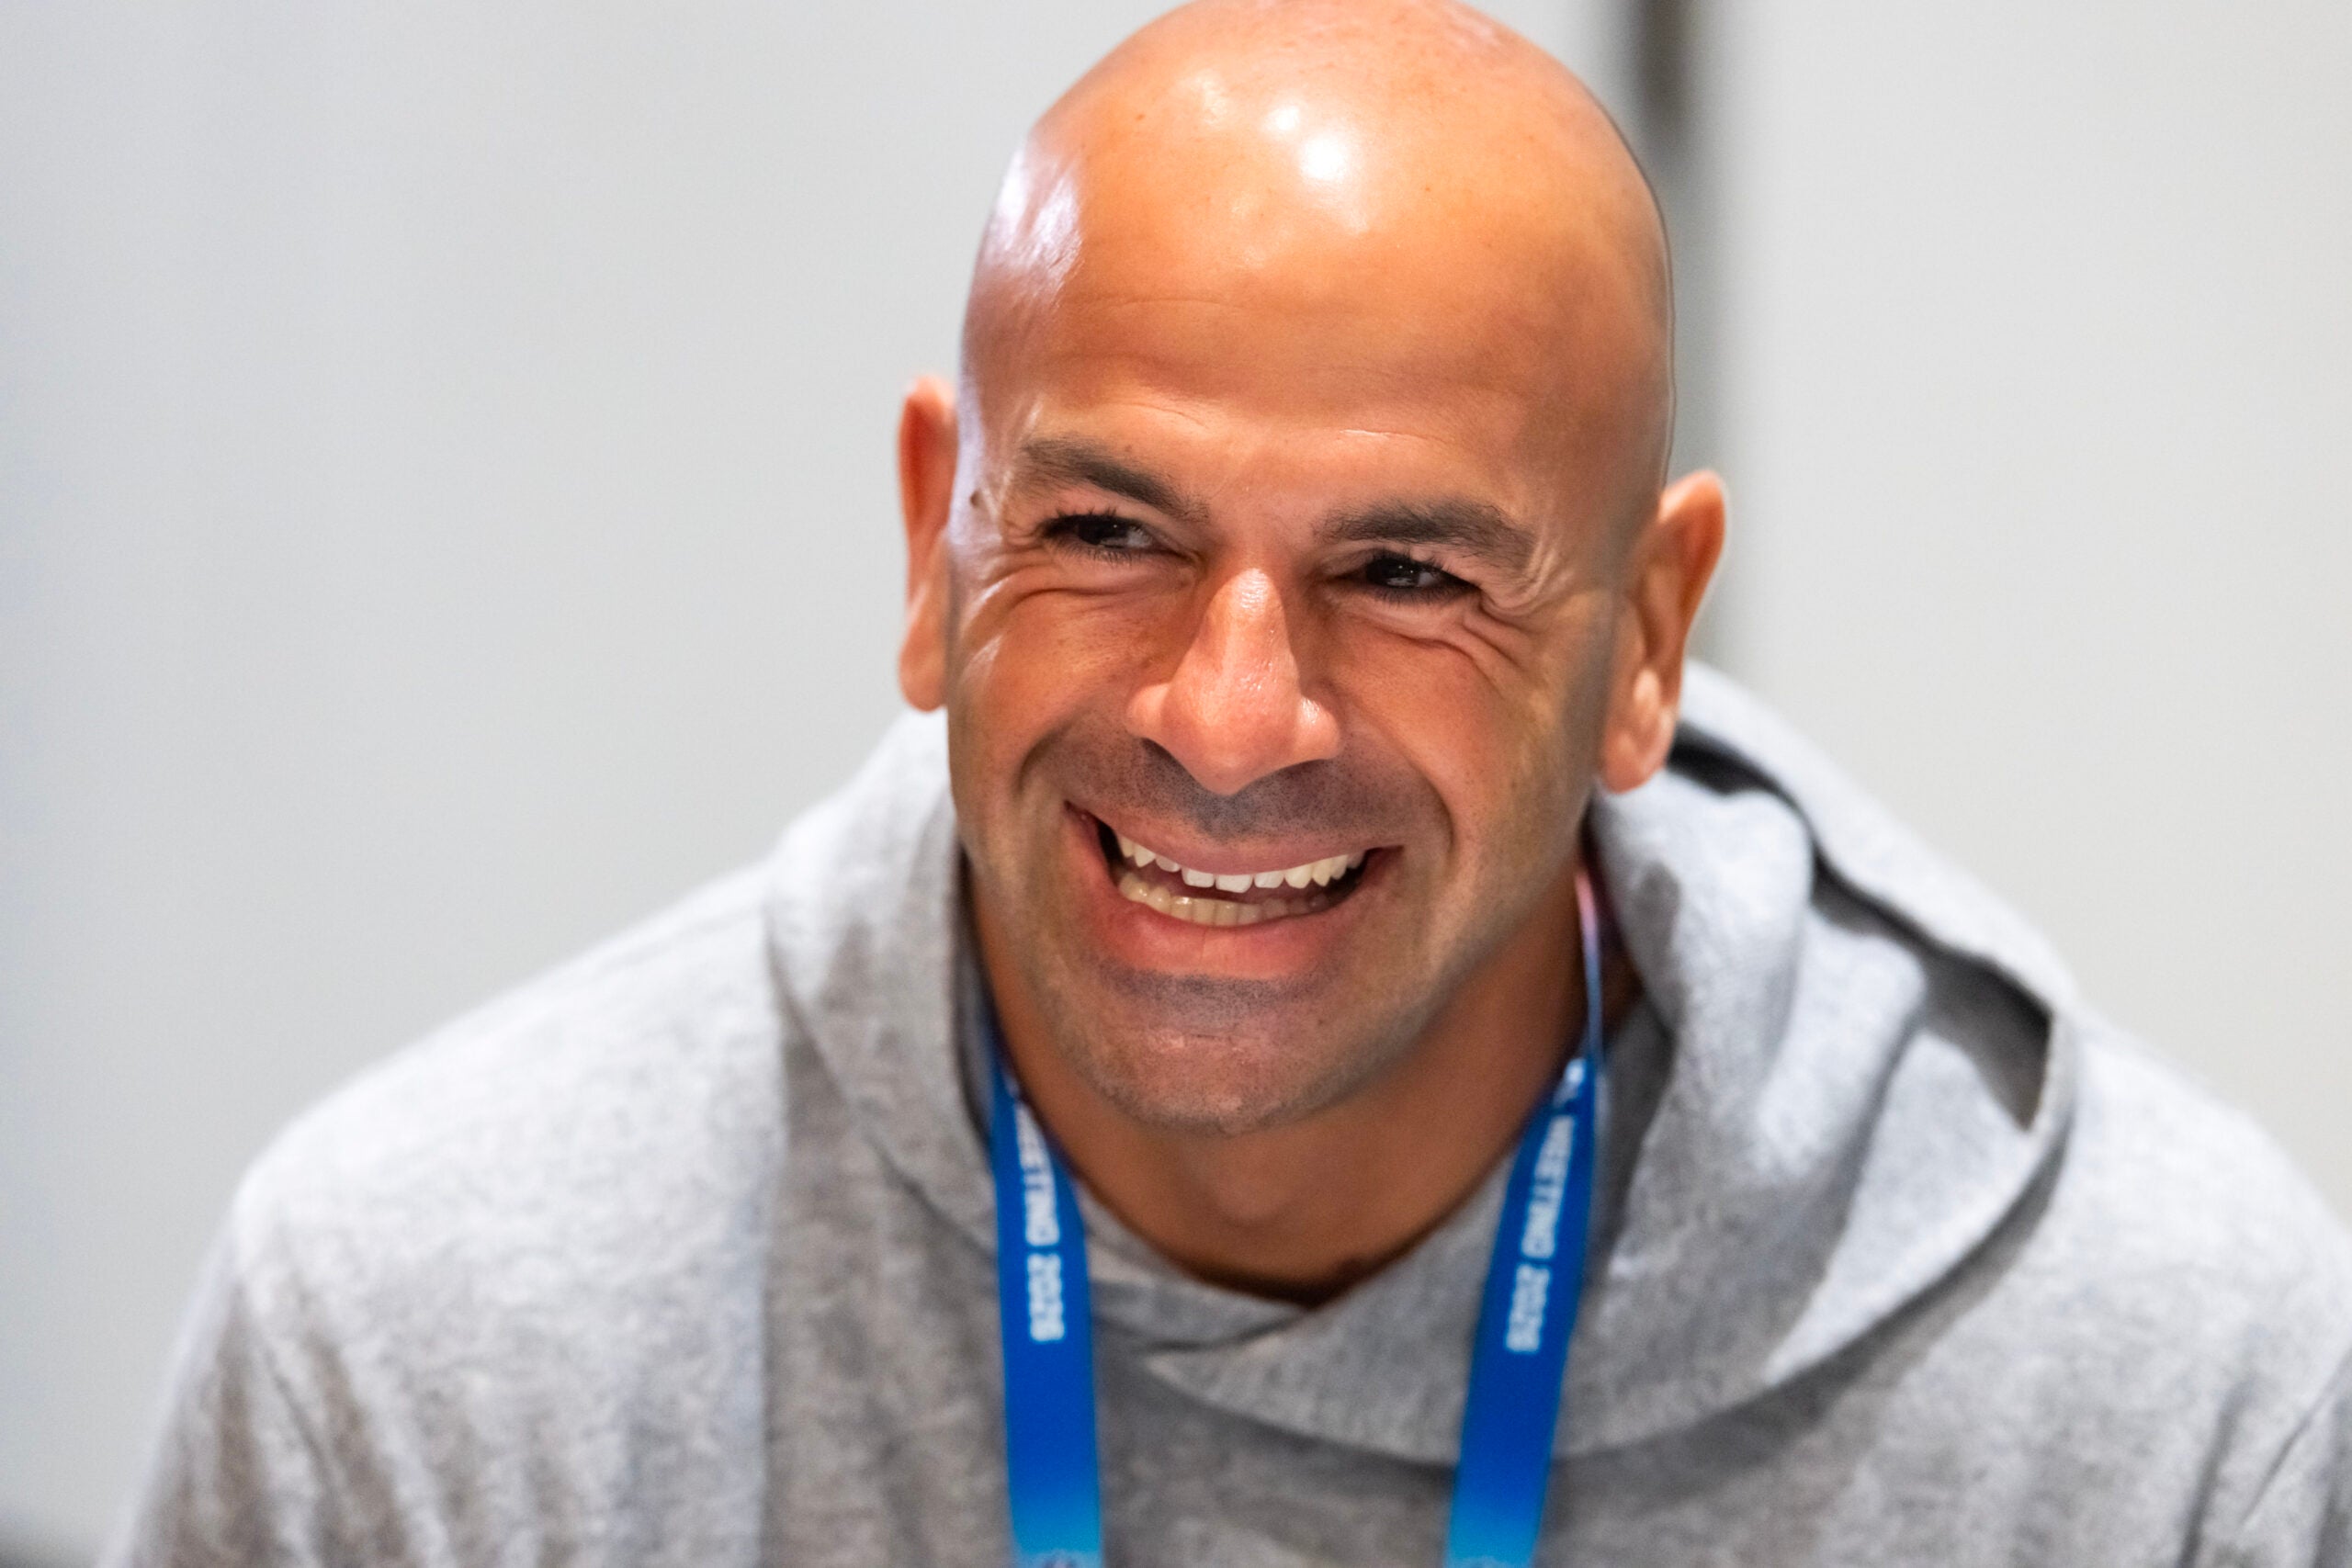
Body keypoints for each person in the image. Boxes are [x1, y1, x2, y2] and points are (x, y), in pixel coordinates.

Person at [109, 2, 2351, 1564]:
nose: (1224, 714)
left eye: (1405, 571)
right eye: (1106, 530)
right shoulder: (425, 1347)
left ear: (1643, 642)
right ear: (933, 546)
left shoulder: (2152, 1392)